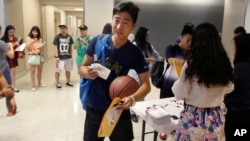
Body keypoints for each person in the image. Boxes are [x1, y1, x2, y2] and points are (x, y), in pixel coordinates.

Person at [80, 2, 151, 141]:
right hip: (95, 105)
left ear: (133, 26)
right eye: (116, 20)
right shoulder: (97, 41)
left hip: (118, 107)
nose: (119, 26)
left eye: (125, 22)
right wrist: (87, 72)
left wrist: (132, 98)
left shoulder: (134, 52)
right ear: (112, 20)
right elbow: (82, 68)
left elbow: (146, 85)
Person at [172, 22, 234, 141]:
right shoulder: (225, 63)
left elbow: (180, 93)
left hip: (193, 117)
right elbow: (230, 87)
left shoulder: (192, 63)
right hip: (215, 116)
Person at [158, 24, 194, 140]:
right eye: (188, 40)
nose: (189, 43)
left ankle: (174, 128)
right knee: (164, 108)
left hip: (182, 86)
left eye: (192, 41)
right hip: (168, 84)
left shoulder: (192, 53)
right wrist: (187, 63)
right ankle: (162, 130)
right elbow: (170, 60)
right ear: (181, 37)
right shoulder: (171, 48)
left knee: (179, 109)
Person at [224, 34, 250, 140]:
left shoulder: (236, 70)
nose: (232, 49)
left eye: (234, 46)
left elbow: (225, 90)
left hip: (237, 117)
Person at [0, 26, 17, 116]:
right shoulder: (2, 43)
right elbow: (11, 56)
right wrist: (11, 46)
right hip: (3, 69)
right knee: (8, 90)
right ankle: (11, 110)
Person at [53, 24, 74, 89]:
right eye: (61, 28)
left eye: (64, 28)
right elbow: (55, 47)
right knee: (57, 70)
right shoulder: (57, 37)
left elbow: (70, 47)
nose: (62, 29)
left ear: (66, 29)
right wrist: (56, 56)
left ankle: (68, 81)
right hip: (60, 58)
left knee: (68, 70)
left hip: (68, 57)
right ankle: (57, 83)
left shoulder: (69, 37)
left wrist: (71, 55)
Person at [1, 25, 20, 92]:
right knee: (10, 71)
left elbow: (16, 48)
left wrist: (17, 45)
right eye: (10, 32)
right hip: (7, 57)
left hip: (14, 55)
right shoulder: (3, 39)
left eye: (13, 32)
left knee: (14, 71)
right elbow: (4, 49)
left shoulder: (15, 38)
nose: (12, 33)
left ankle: (14, 85)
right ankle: (10, 86)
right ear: (7, 32)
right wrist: (11, 45)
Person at [26, 26, 45, 91]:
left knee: (40, 70)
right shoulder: (29, 38)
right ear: (31, 31)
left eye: (36, 32)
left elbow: (41, 47)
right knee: (33, 71)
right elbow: (27, 47)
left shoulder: (40, 38)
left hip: (39, 55)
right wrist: (33, 41)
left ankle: (39, 83)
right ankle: (33, 85)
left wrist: (42, 54)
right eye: (33, 31)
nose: (35, 33)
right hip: (32, 55)